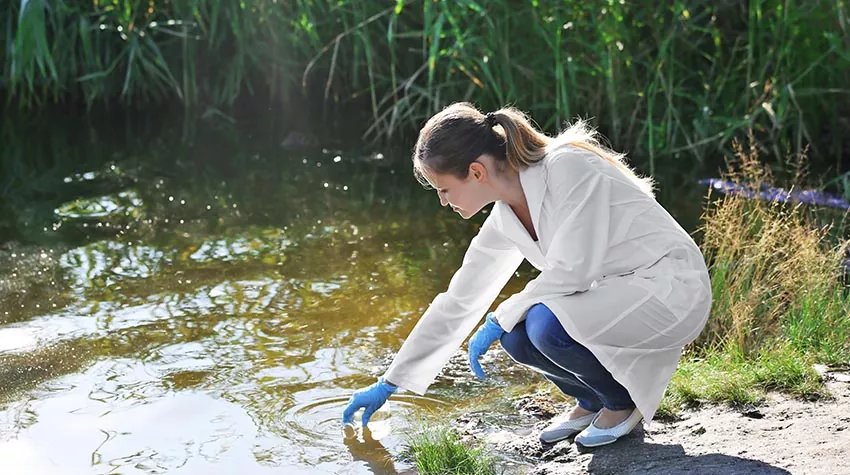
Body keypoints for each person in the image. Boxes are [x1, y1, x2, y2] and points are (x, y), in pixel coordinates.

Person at [341, 102, 712, 448]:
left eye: (444, 189)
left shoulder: (567, 167)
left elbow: (573, 272)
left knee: (541, 323)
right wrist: (389, 382)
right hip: (618, 297)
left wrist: (499, 317)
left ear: (476, 172)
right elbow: (458, 301)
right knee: (517, 337)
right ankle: (591, 398)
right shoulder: (506, 217)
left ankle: (621, 402)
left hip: (670, 290)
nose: (443, 201)